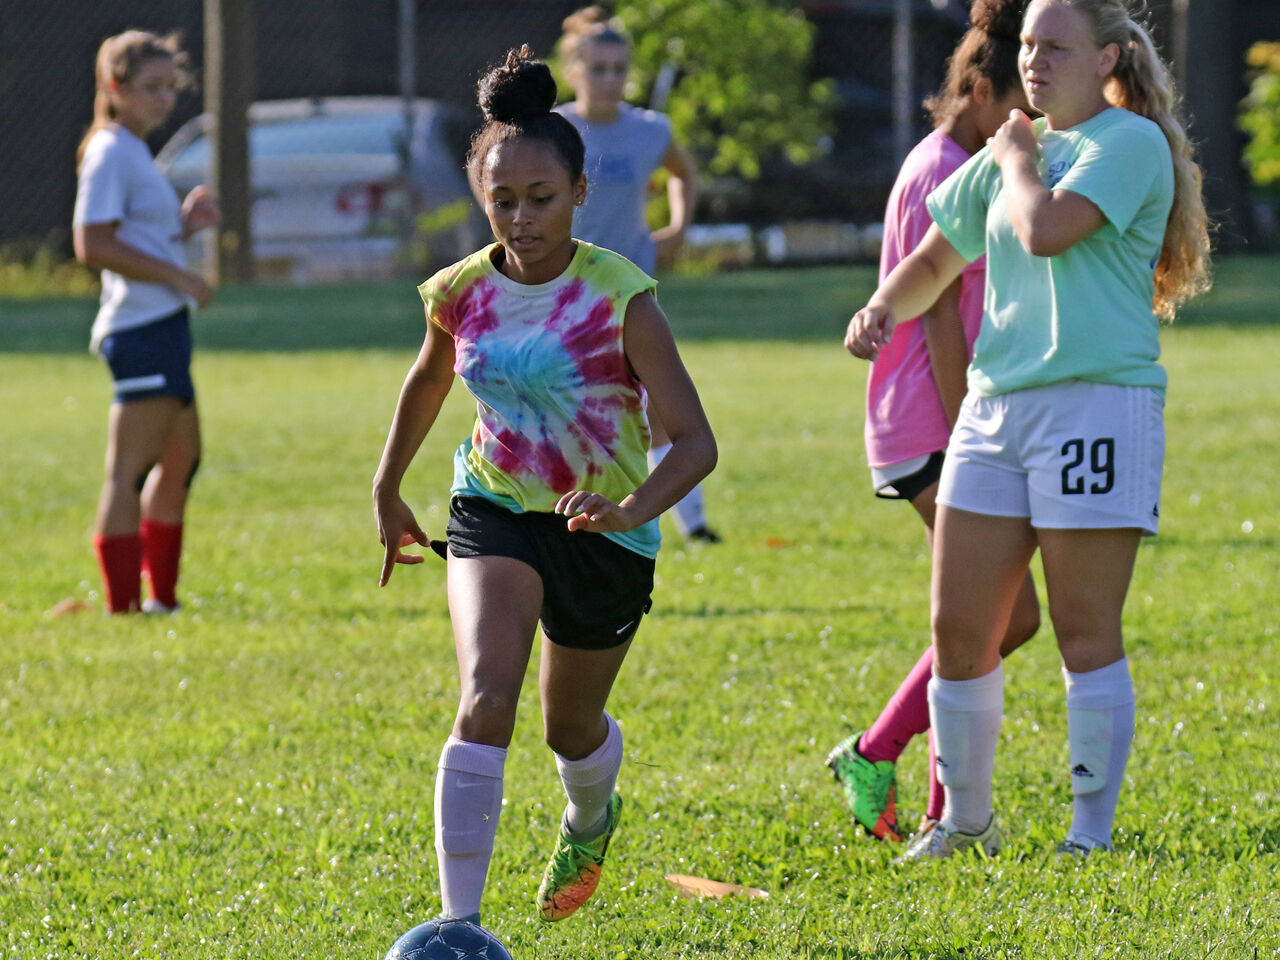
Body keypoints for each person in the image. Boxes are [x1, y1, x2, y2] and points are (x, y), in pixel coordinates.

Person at [845, 0, 1210, 860]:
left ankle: (1089, 833)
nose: (1035, 61)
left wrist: (1012, 155)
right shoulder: (1013, 151)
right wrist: (880, 308)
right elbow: (935, 260)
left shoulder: (1128, 143)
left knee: (1085, 633)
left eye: (1056, 46)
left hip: (1095, 405)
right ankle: (964, 821)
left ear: (1108, 56)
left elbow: (1045, 230)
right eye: (1028, 46)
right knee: (959, 631)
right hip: (994, 409)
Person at [372, 47, 716, 925]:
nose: (520, 220)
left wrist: (629, 509)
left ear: (579, 194)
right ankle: (459, 925)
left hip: (606, 532)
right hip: (492, 507)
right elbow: (430, 377)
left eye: (541, 200)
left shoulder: (621, 297)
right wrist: (388, 485)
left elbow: (695, 443)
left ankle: (591, 813)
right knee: (487, 695)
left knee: (571, 730)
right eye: (502, 201)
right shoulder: (459, 289)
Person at [827, 0, 1043, 847]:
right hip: (933, 420)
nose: (1029, 126)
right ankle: (878, 756)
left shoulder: (963, 158)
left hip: (947, 418)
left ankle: (933, 803)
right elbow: (943, 314)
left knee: (981, 616)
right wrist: (969, 432)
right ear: (981, 90)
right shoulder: (940, 170)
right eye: (1019, 107)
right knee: (1000, 616)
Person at [554, 5, 720, 543]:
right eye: (597, 68)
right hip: (565, 292)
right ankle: (560, 512)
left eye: (617, 69)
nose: (608, 79)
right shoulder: (554, 129)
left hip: (630, 292)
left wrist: (678, 228)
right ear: (574, 70)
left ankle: (692, 524)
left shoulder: (649, 130)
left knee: (658, 407)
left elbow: (683, 173)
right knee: (573, 405)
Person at [73, 31, 220, 615]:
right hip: (138, 330)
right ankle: (123, 607)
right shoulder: (110, 149)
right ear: (116, 87)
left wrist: (182, 227)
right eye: (151, 87)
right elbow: (92, 242)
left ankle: (161, 601)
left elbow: (132, 236)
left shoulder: (132, 150)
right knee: (128, 473)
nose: (165, 99)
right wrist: (179, 276)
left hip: (162, 326)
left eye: (170, 87)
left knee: (182, 461)